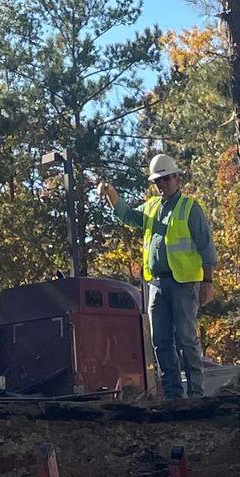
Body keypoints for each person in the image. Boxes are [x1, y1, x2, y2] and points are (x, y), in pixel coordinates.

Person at [94, 151, 217, 399]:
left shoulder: (189, 209)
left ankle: (195, 394)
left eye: (166, 179)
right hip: (157, 284)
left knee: (186, 339)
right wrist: (112, 196)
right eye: (157, 181)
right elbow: (127, 215)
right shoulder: (151, 207)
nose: (161, 184)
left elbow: (206, 247)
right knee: (161, 341)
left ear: (176, 179)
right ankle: (173, 395)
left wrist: (208, 282)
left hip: (183, 282)